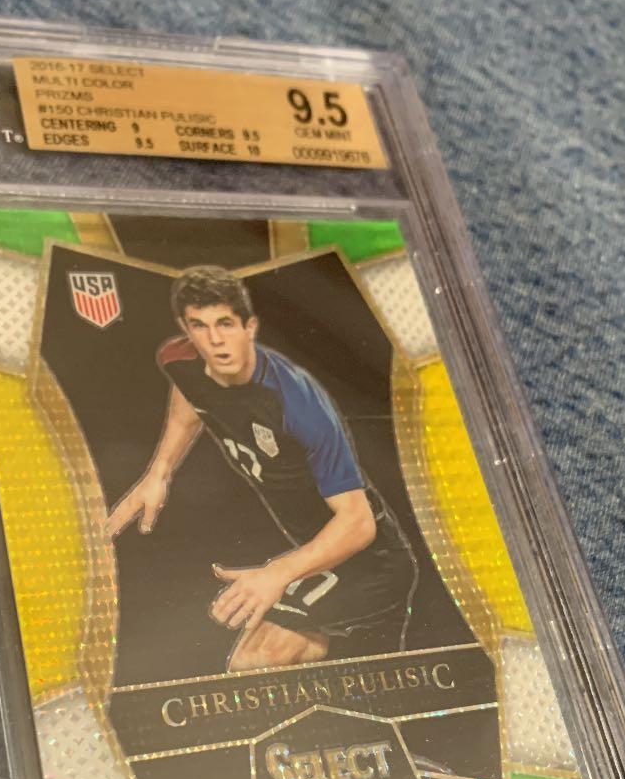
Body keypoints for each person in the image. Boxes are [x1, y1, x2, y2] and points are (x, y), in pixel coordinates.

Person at [106, 265, 417, 671]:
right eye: (200, 326)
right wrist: (159, 472)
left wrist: (276, 574)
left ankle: (373, 657)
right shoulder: (180, 360)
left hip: (372, 561)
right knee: (262, 662)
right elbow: (191, 397)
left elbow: (358, 524)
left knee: (255, 660)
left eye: (225, 324)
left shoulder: (296, 403)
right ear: (187, 330)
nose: (215, 340)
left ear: (249, 327)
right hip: (319, 555)